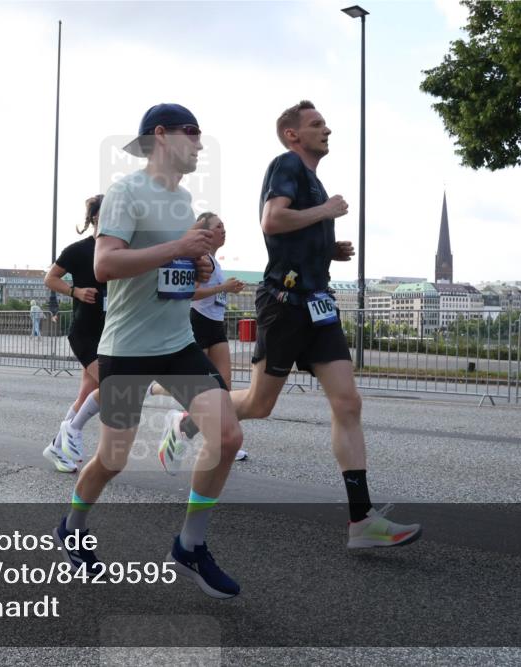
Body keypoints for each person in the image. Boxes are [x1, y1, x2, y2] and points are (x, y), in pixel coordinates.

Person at [161, 101, 421, 549]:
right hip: (285, 303)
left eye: (325, 123)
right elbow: (272, 219)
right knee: (261, 404)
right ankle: (188, 421)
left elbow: (291, 231)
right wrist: (325, 214)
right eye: (316, 124)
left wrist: (326, 247)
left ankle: (361, 520)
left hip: (319, 304)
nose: (328, 130)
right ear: (292, 135)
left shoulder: (313, 181)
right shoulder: (286, 165)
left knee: (348, 402)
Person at [55, 103, 244, 599]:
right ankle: (72, 527)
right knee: (112, 459)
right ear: (161, 136)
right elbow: (106, 263)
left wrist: (197, 269)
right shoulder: (125, 192)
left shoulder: (182, 200)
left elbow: (172, 275)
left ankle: (190, 545)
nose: (201, 144)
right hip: (126, 351)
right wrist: (179, 250)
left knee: (226, 433)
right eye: (193, 133)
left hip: (177, 344)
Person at [152, 211, 248, 466]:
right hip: (198, 323)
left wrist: (229, 288)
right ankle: (156, 388)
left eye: (225, 226)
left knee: (223, 386)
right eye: (218, 226)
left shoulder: (215, 260)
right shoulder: (200, 258)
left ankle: (207, 430)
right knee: (200, 387)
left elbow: (214, 292)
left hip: (216, 325)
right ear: (204, 231)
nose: (223, 230)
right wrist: (222, 288)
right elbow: (191, 294)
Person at [42, 195, 107, 473]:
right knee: (115, 386)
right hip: (85, 331)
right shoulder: (79, 250)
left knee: (85, 395)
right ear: (95, 217)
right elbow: (50, 278)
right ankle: (70, 434)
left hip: (110, 332)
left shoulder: (120, 251)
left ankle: (56, 447)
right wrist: (76, 291)